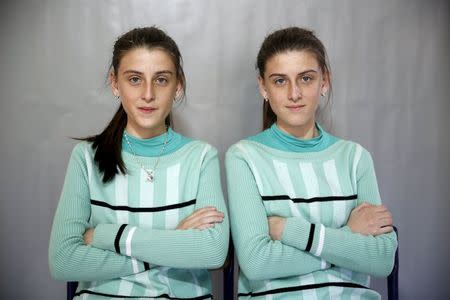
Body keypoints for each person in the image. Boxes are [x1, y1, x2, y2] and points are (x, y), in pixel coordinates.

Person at [49, 26, 229, 299]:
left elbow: (213, 252)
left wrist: (105, 236)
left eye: (161, 80)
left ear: (178, 85)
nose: (148, 94)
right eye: (134, 79)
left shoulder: (201, 157)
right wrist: (174, 242)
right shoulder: (86, 157)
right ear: (115, 83)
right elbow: (63, 261)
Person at [226, 27, 397, 299]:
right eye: (280, 81)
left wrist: (289, 230)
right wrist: (348, 236)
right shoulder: (244, 157)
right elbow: (257, 263)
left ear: (324, 81)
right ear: (263, 86)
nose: (295, 93)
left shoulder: (355, 158)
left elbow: (382, 259)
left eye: (306, 78)